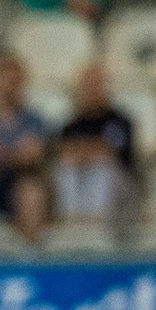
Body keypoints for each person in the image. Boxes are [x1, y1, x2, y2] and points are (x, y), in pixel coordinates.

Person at [0, 53, 52, 245]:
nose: (9, 86)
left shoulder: (33, 119)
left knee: (32, 192)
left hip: (17, 185)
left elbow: (31, 156)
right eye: (4, 79)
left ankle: (31, 255)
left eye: (14, 80)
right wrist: (12, 152)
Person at [56, 61, 137, 223]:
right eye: (87, 85)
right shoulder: (71, 125)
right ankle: (71, 220)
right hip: (80, 181)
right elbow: (65, 154)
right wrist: (93, 150)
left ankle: (96, 222)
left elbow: (113, 154)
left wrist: (84, 151)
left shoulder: (120, 121)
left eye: (96, 84)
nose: (92, 90)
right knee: (66, 168)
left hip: (118, 183)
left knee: (101, 167)